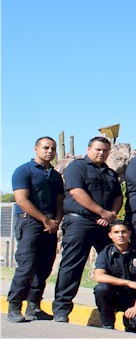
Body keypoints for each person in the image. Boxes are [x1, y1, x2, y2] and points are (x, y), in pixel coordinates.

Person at [53, 137, 123, 323]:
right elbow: (76, 192)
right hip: (80, 222)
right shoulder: (77, 167)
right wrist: (101, 212)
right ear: (89, 149)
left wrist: (111, 214)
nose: (101, 153)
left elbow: (118, 196)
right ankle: (61, 308)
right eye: (98, 149)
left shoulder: (109, 172)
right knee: (73, 265)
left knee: (114, 264)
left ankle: (113, 305)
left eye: (105, 150)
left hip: (104, 224)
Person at [7, 137, 64, 323]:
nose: (49, 151)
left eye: (53, 148)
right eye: (45, 147)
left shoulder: (55, 176)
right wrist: (44, 219)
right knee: (27, 266)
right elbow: (22, 200)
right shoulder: (24, 171)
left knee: (44, 266)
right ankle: (14, 306)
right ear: (36, 149)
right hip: (30, 222)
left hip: (50, 225)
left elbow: (59, 201)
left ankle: (34, 306)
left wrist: (56, 220)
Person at [93, 220, 136, 333]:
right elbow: (99, 276)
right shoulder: (106, 252)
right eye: (116, 232)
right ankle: (107, 324)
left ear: (129, 233)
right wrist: (127, 282)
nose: (120, 235)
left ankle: (129, 323)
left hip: (133, 298)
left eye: (123, 232)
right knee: (101, 289)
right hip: (113, 296)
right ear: (110, 235)